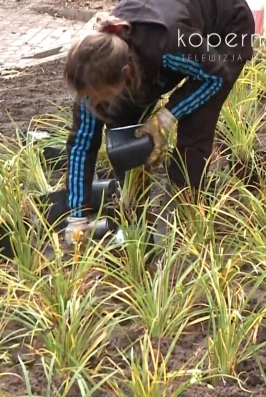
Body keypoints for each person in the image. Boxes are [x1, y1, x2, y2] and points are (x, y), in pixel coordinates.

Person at [60, 0, 255, 234]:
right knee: (119, 117)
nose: (92, 101)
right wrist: (77, 217)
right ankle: (136, 207)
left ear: (126, 74)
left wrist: (166, 117)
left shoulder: (165, 45)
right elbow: (82, 143)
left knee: (194, 126)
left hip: (225, 28)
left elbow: (214, 77)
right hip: (178, 31)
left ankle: (191, 215)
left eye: (99, 96)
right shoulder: (94, 66)